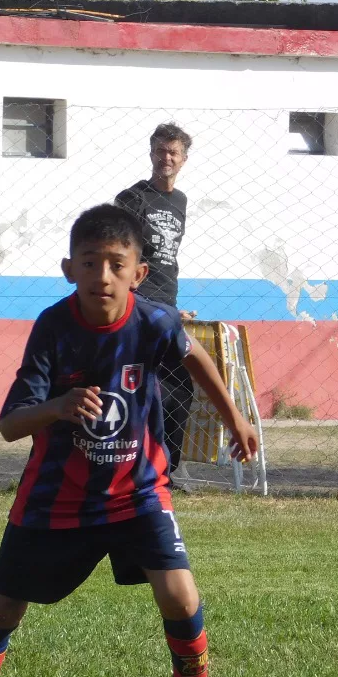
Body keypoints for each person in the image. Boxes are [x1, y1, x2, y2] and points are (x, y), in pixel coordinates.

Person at [0, 205, 259, 677]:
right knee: (3, 607)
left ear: (138, 274)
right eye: (90, 262)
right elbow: (9, 424)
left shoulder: (155, 321)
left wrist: (234, 414)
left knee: (181, 596)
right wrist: (59, 406)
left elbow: (193, 356)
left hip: (138, 492)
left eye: (117, 265)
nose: (103, 276)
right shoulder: (53, 328)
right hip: (57, 499)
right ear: (68, 268)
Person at [116, 123, 197, 476]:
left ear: (183, 159)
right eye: (160, 151)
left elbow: (168, 259)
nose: (166, 158)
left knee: (179, 387)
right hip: (136, 305)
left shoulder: (180, 202)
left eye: (173, 152)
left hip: (167, 306)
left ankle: (166, 469)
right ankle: (128, 463)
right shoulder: (132, 198)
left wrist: (174, 307)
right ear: (151, 153)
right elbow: (120, 252)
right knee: (133, 388)